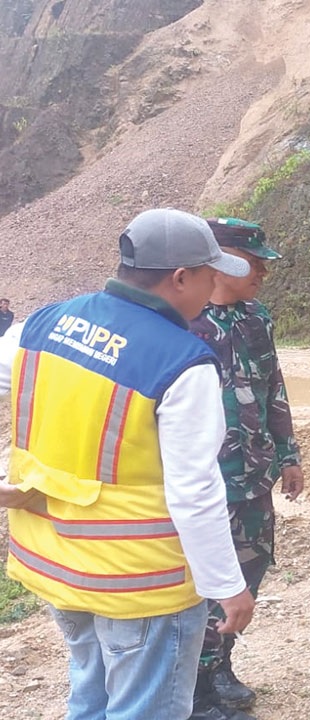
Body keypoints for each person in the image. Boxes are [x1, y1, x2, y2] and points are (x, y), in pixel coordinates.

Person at [0, 208, 255, 720]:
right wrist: (228, 586)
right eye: (209, 275)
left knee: (90, 700)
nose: (214, 288)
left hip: (57, 565)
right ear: (180, 278)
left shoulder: (43, 325)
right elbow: (194, 491)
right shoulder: (182, 362)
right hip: (141, 582)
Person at [188, 217, 304, 719]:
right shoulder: (185, 323)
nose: (263, 273)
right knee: (203, 586)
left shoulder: (257, 318)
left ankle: (220, 667)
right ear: (225, 261)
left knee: (248, 577)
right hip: (206, 484)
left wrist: (288, 454)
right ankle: (195, 693)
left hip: (254, 477)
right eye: (255, 262)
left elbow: (272, 385)